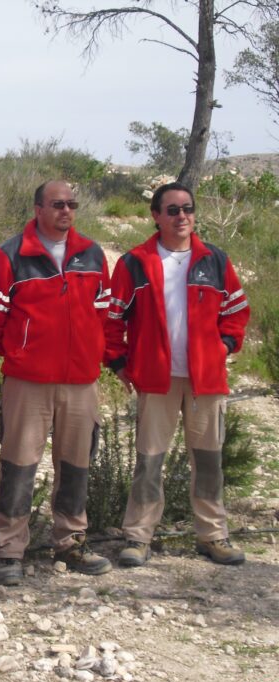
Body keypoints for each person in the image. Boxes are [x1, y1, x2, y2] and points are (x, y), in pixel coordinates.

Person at [105, 182, 250, 567]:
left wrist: (224, 347)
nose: (181, 216)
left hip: (206, 381)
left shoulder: (214, 260)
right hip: (156, 379)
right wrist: (120, 363)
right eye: (172, 210)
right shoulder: (134, 262)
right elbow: (111, 317)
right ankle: (138, 537)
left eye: (187, 208)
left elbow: (236, 311)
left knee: (208, 462)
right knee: (149, 461)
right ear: (156, 216)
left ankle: (213, 535)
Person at [0, 181, 113, 585]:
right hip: (28, 381)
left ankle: (70, 541)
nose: (66, 211)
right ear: (38, 208)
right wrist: (18, 352)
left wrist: (89, 349)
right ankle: (9, 550)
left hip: (80, 382)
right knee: (19, 466)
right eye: (57, 204)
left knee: (76, 465)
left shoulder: (91, 254)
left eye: (72, 204)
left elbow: (102, 309)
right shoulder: (10, 254)